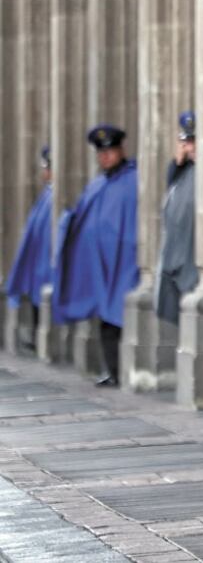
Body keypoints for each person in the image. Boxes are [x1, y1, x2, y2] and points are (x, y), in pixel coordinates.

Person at [52, 126, 139, 387]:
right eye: (101, 153)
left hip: (126, 262)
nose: (105, 157)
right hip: (101, 264)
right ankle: (113, 371)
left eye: (110, 151)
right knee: (106, 319)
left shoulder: (134, 180)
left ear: (121, 150)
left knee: (120, 316)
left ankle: (125, 371)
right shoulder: (97, 186)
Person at [5, 146, 54, 350]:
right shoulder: (47, 195)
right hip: (38, 261)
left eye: (46, 168)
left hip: (46, 262)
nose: (44, 173)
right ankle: (36, 335)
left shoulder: (53, 196)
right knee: (36, 300)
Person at [154, 110, 198, 325]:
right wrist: (177, 166)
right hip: (178, 261)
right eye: (187, 141)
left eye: (194, 141)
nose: (190, 147)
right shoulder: (184, 170)